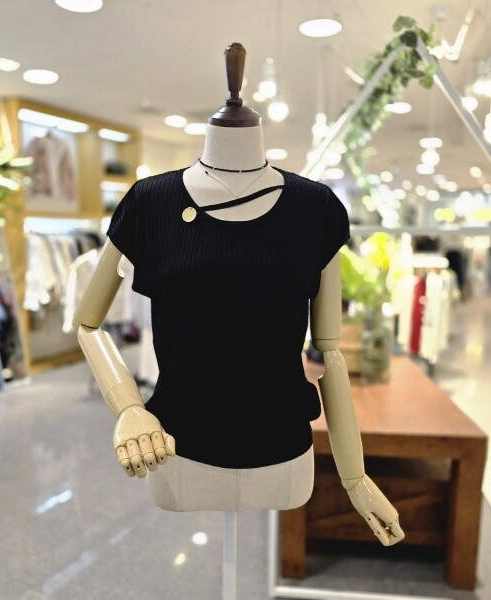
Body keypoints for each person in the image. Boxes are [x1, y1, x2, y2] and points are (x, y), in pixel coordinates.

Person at [73, 43, 403, 544]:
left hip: (284, 455)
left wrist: (354, 478)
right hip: (178, 449)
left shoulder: (314, 210)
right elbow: (88, 323)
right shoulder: (150, 204)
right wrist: (129, 408)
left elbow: (330, 352)